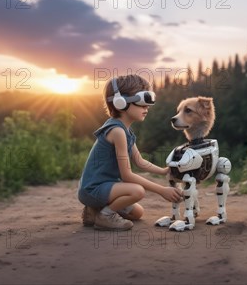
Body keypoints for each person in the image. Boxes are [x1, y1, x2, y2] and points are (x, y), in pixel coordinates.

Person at [77, 74, 183, 231]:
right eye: (142, 102)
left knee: (137, 213)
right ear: (120, 102)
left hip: (105, 187)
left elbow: (139, 161)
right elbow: (127, 176)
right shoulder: (117, 131)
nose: (147, 108)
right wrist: (162, 190)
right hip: (92, 189)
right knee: (137, 191)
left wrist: (164, 171)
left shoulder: (126, 131)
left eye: (149, 102)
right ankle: (104, 216)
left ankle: (94, 211)